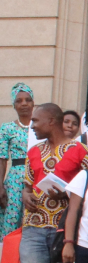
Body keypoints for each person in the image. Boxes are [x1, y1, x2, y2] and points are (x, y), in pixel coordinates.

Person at [19, 103, 88, 263]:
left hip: (64, 231)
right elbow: (27, 185)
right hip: (33, 228)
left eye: (35, 121)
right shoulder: (33, 151)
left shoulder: (82, 151)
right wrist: (25, 195)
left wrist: (68, 196)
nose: (32, 126)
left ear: (51, 121)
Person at [0, 83, 37, 237]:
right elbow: (2, 159)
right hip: (15, 178)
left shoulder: (39, 127)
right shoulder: (7, 128)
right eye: (19, 101)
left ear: (33, 103)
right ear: (13, 105)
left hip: (36, 177)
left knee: (32, 220)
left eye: (27, 100)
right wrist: (0, 186)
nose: (24, 104)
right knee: (11, 219)